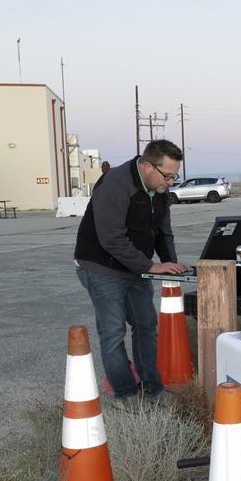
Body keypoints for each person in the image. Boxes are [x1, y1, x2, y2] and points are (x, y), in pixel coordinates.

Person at [74, 140, 189, 401]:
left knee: (145, 325)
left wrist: (172, 265)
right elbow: (111, 239)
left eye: (175, 176)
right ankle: (126, 395)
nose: (171, 182)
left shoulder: (159, 189)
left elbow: (163, 232)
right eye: (168, 175)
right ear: (148, 166)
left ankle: (153, 389)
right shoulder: (115, 183)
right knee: (113, 331)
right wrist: (150, 265)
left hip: (135, 267)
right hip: (101, 266)